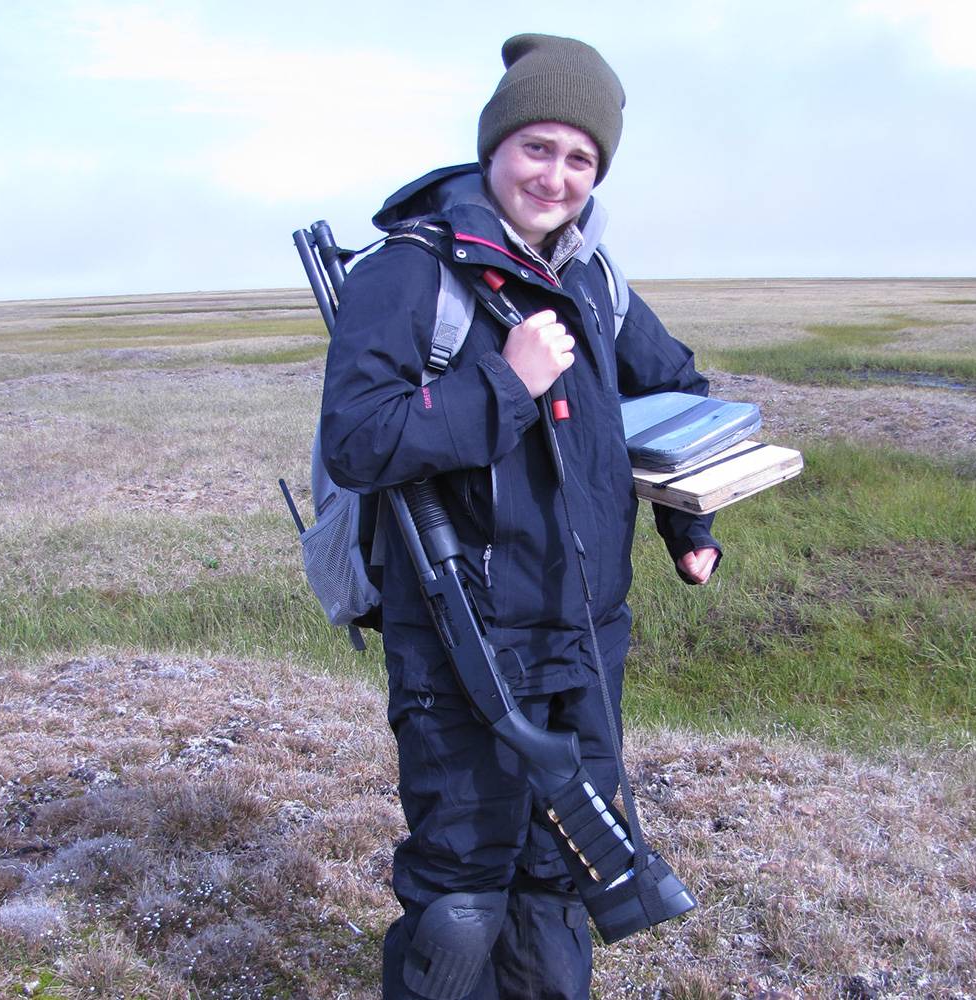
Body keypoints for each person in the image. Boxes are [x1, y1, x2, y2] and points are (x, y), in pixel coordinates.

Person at [321, 33, 721, 1000]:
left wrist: (691, 522)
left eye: (580, 157)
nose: (555, 175)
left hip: (585, 632)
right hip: (462, 633)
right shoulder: (410, 273)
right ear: (494, 146)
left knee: (563, 872)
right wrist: (510, 383)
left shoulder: (594, 276)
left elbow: (676, 392)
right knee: (462, 885)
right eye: (536, 147)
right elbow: (360, 442)